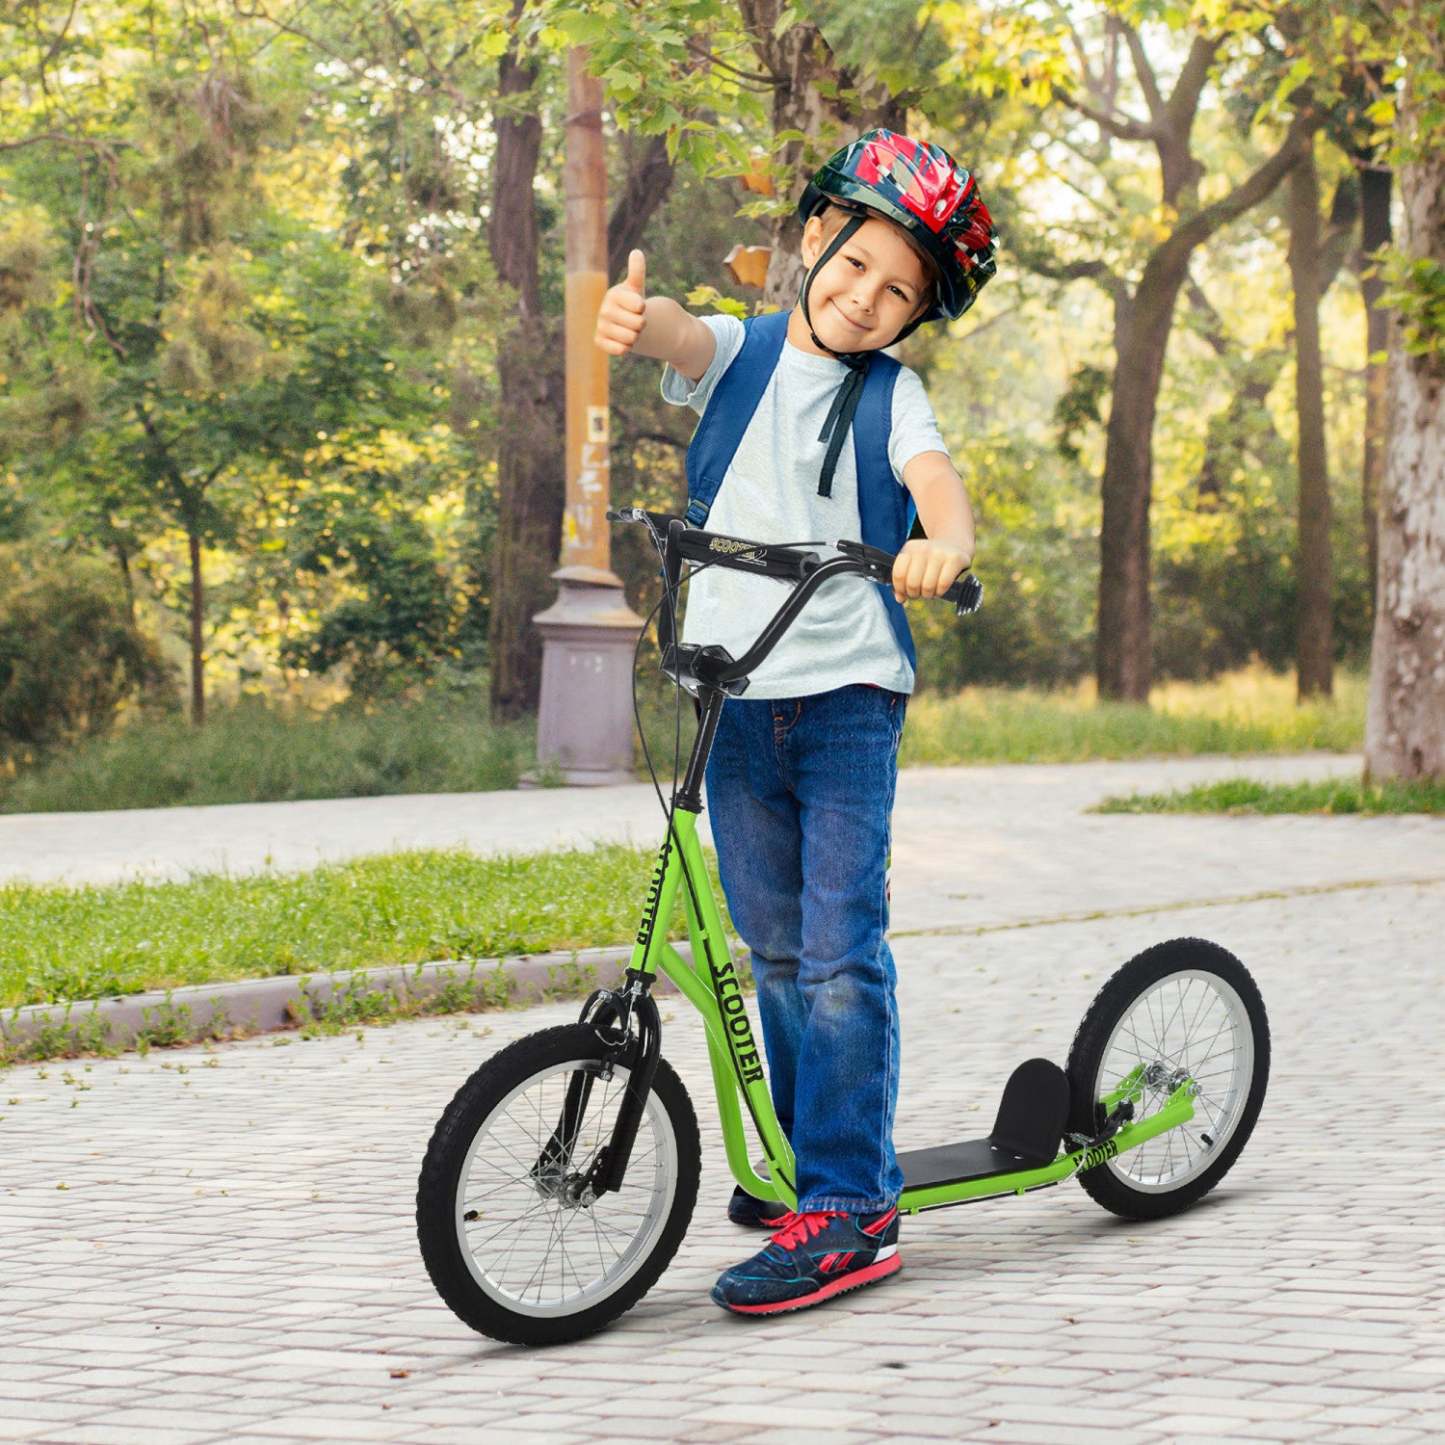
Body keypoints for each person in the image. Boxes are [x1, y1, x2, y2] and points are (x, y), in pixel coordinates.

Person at [593, 128, 997, 1315]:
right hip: (735, 693)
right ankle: (803, 1159)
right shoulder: (745, 351)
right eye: (856, 262)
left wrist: (943, 544)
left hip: (844, 703)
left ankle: (851, 1203)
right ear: (815, 234)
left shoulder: (892, 395)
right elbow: (681, 334)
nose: (865, 297)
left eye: (898, 292)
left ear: (914, 315)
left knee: (835, 952)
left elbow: (933, 482)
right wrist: (637, 321)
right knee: (770, 948)